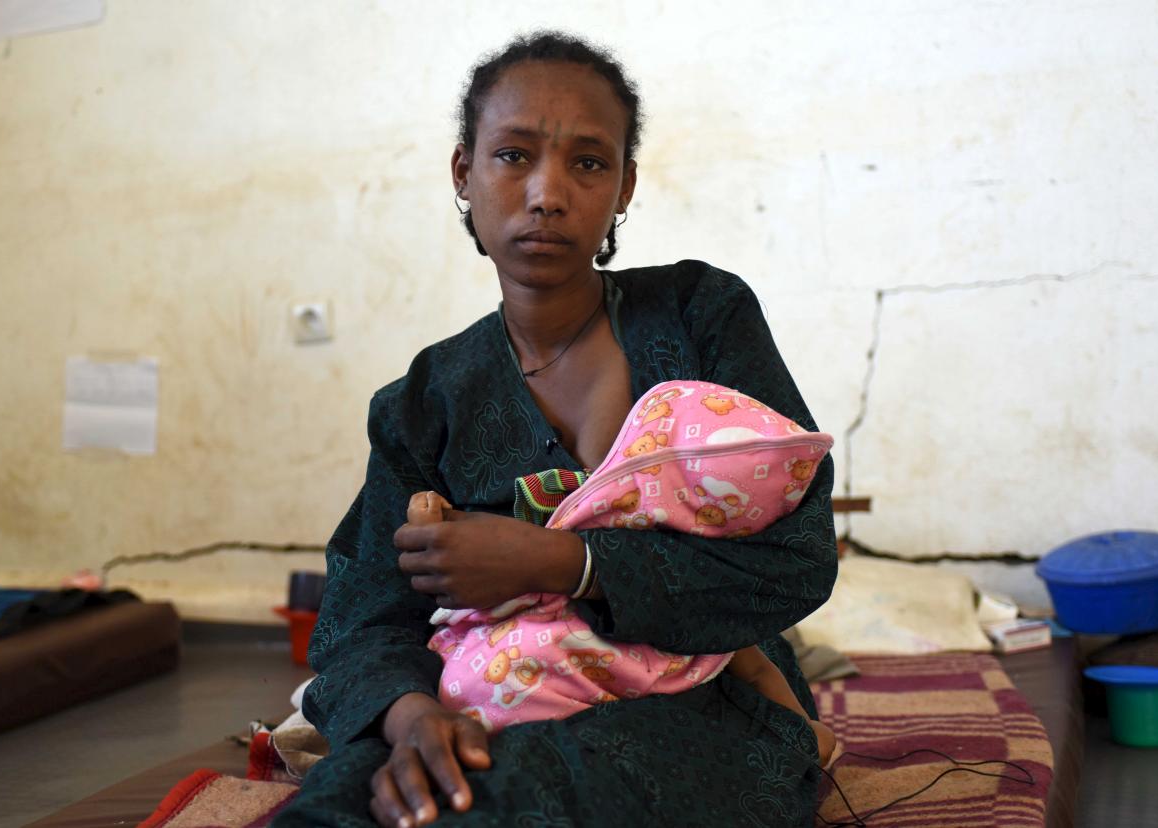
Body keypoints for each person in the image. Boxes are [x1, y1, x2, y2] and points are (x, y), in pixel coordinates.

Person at [276, 31, 837, 828]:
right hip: (478, 687)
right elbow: (361, 617)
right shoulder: (424, 400)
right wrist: (411, 720)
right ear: (463, 171)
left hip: (698, 690)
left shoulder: (700, 320)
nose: (547, 193)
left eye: (588, 161)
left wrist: (561, 561)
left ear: (624, 185)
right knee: (353, 797)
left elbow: (795, 563)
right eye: (513, 156)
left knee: (529, 788)